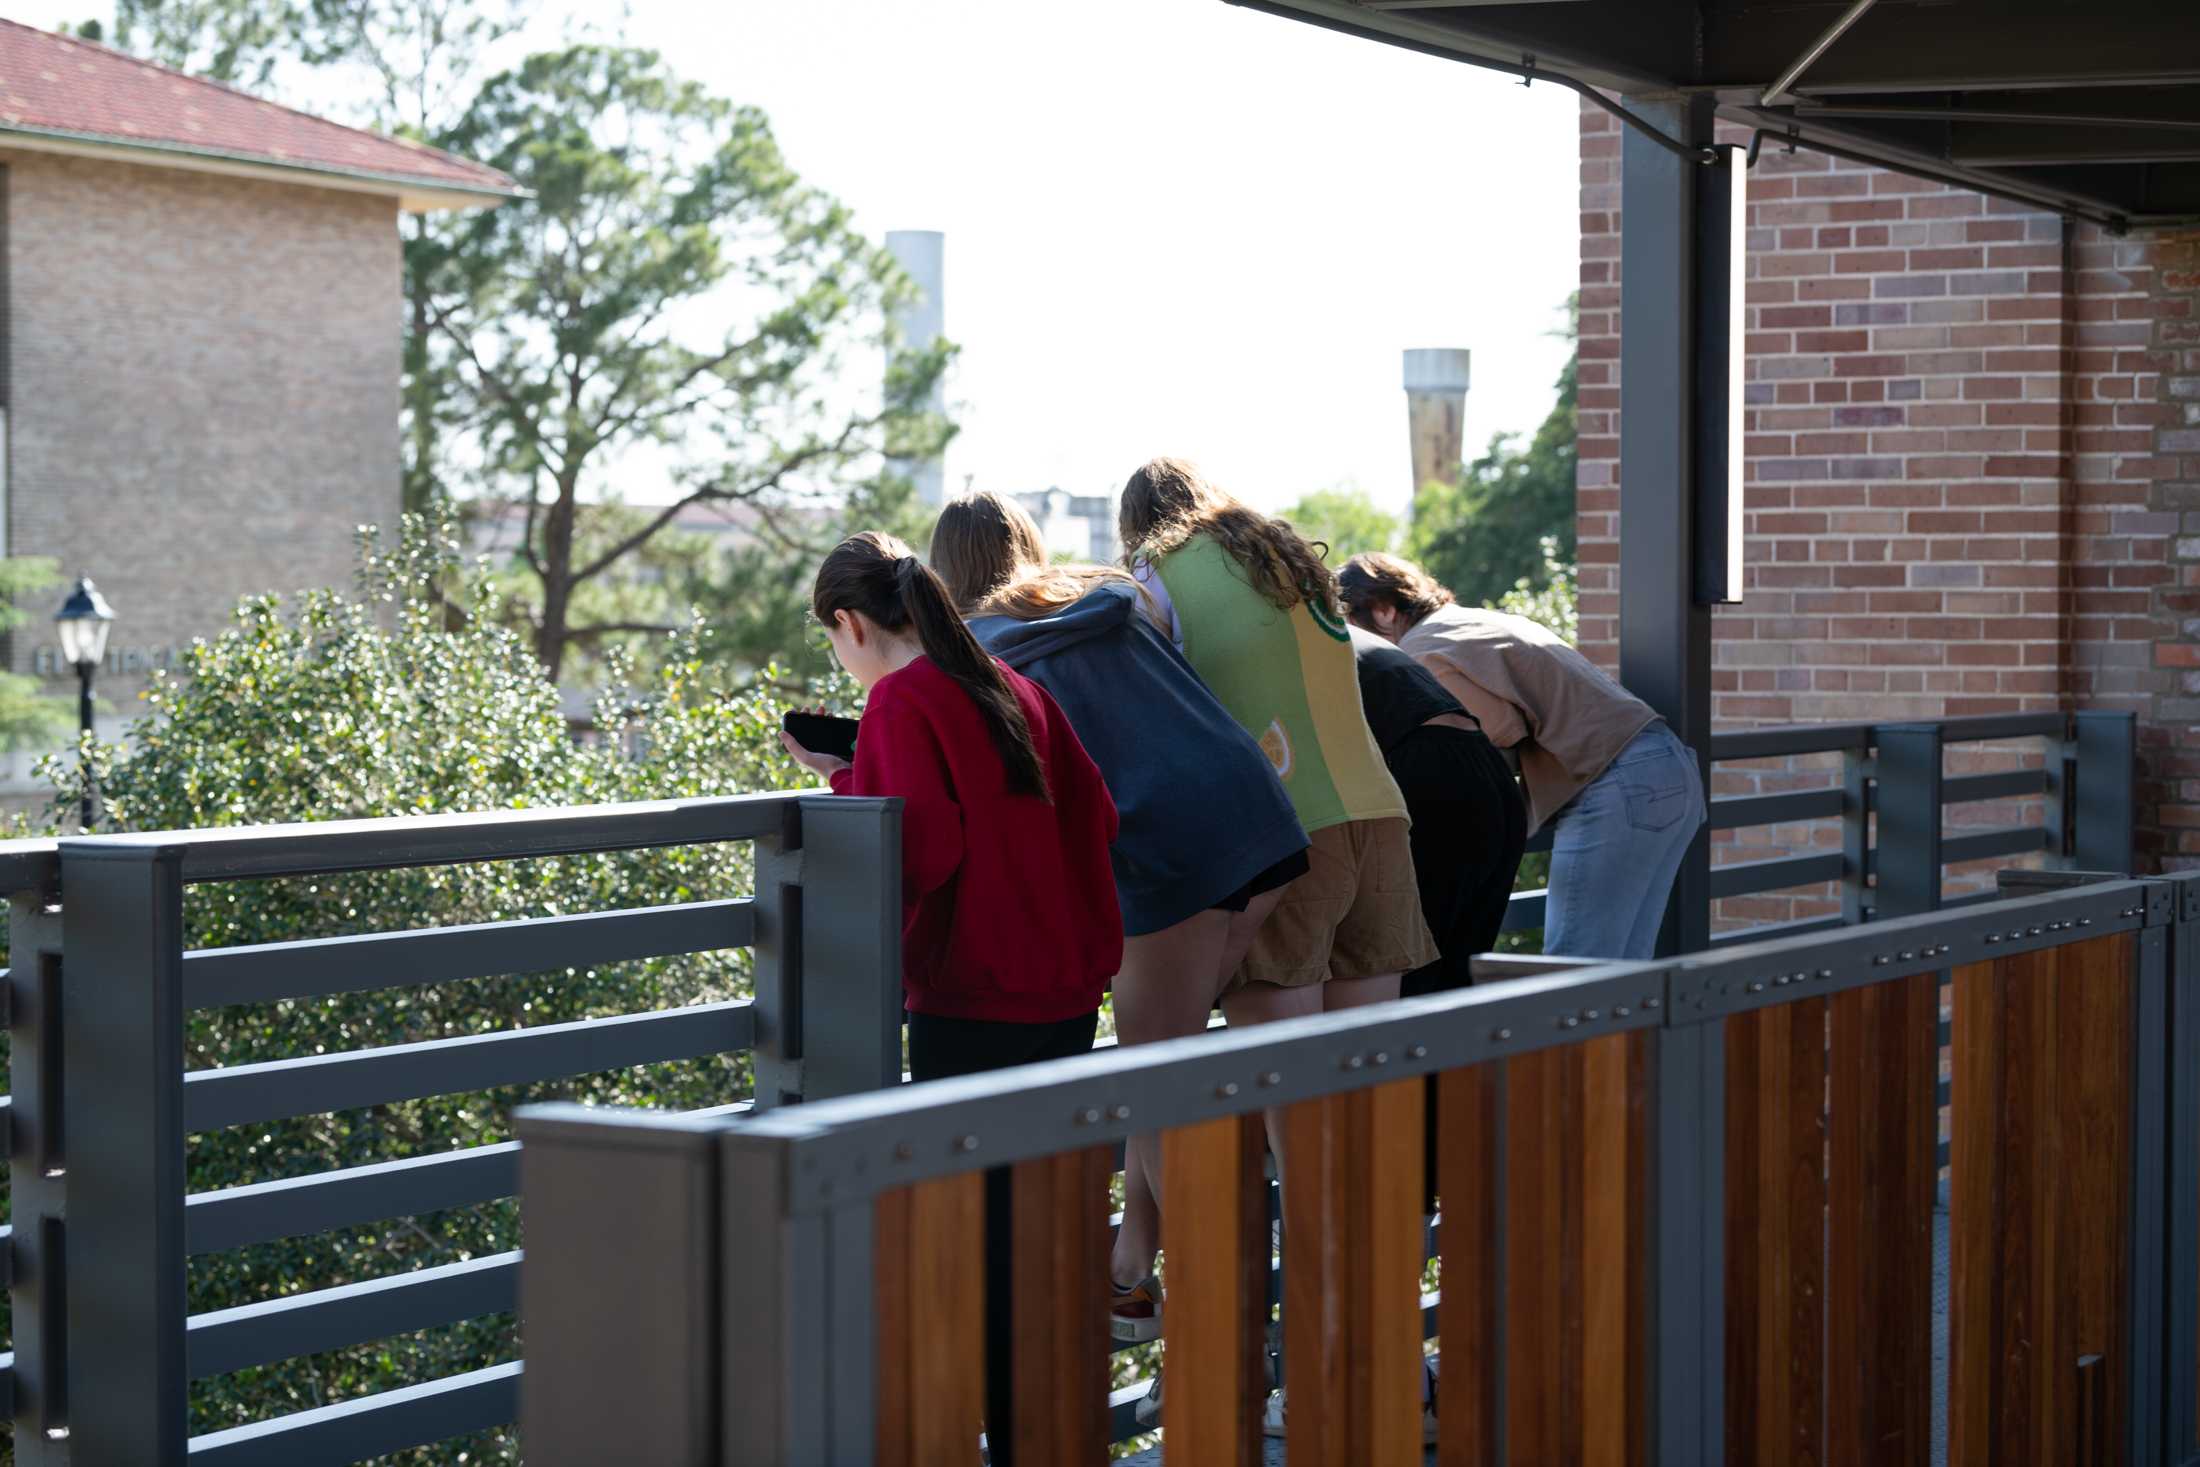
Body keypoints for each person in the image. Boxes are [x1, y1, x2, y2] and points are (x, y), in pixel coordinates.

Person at [930, 491, 1310, 1346]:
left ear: (942, 569)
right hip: (1259, 824)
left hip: (1166, 852)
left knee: (1156, 1089)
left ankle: (1227, 1328)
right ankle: (1130, 1274)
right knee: (1160, 1072)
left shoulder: (978, 650)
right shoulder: (1095, 599)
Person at [778, 531, 1121, 1466]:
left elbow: (918, 848)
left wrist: (845, 783)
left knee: (965, 1242)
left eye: (832, 641)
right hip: (1061, 989)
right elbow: (1098, 810)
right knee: (1042, 1229)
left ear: (849, 623)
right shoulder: (1010, 687)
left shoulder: (901, 699)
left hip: (972, 999)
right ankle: (1053, 1436)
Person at [1118, 458, 1439, 1018]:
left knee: (1279, 1079)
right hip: (1380, 815)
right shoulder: (1287, 560)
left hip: (1286, 830)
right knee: (1365, 1072)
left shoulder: (1155, 572)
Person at [1339, 551, 1705, 959]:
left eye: (1351, 626)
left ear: (1384, 611)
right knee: (1622, 969)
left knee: (1573, 970)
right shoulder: (1473, 620)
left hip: (1615, 781)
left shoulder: (1421, 649)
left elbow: (1490, 736)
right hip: (1666, 766)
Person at [1348, 624, 1527, 993]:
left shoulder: (1294, 639)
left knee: (1413, 968)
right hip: (1488, 767)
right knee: (1460, 969)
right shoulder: (1345, 634)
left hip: (1432, 772)